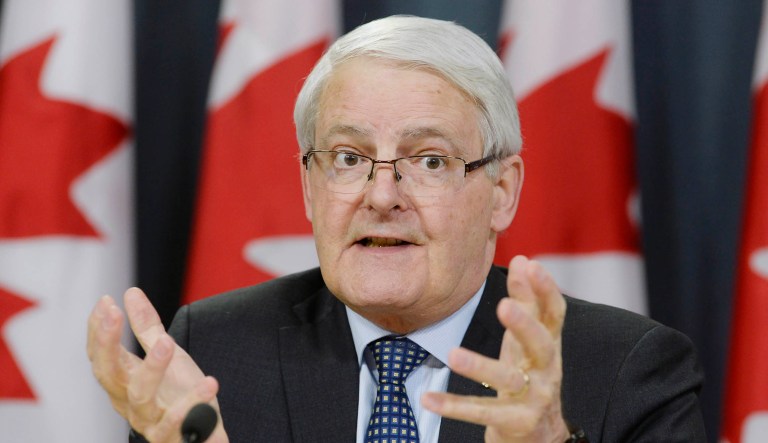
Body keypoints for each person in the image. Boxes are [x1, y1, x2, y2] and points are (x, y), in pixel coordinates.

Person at [87, 15, 706, 443]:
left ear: (502, 192)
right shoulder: (211, 353)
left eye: (429, 161)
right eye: (349, 159)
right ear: (309, 187)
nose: (381, 196)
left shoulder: (627, 372)